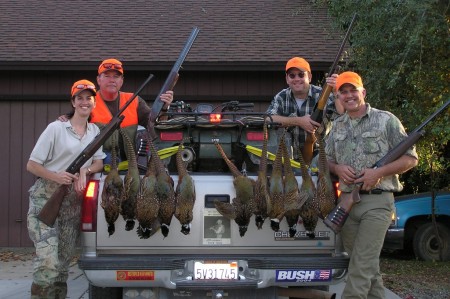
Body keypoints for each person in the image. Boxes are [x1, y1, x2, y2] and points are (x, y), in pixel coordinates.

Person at [325, 71, 418, 298]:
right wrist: (337, 169)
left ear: (363, 92)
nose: (349, 96)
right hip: (347, 203)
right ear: (338, 97)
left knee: (360, 268)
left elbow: (411, 158)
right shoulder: (337, 126)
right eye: (343, 92)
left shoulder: (386, 120)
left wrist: (378, 173)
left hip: (378, 203)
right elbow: (325, 160)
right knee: (368, 268)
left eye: (353, 90)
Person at [27, 80, 106, 298]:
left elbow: (99, 163)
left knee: (62, 266)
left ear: (94, 102)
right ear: (72, 102)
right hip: (46, 198)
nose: (84, 102)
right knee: (48, 262)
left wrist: (84, 171)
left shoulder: (95, 132)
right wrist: (56, 176)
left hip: (73, 204)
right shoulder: (56, 128)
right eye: (79, 98)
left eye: (88, 98)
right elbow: (32, 165)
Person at [60, 58, 174, 163]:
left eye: (116, 76)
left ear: (121, 81)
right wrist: (65, 120)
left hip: (132, 163)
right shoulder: (89, 102)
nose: (112, 80)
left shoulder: (134, 100)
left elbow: (154, 123)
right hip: (100, 162)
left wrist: (164, 107)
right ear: (98, 80)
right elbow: (72, 124)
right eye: (107, 76)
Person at [266, 57, 344, 163]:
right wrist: (299, 121)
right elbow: (268, 119)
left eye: (301, 74)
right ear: (287, 79)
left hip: (322, 158)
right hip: (288, 160)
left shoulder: (323, 94)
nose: (297, 78)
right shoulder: (281, 97)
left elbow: (343, 117)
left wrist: (336, 92)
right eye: (292, 75)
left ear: (310, 77)